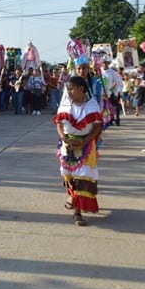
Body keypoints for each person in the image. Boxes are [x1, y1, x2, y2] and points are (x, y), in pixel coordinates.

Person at [53, 76, 103, 226]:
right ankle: (73, 199)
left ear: (81, 89)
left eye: (71, 89)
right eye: (67, 90)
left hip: (86, 145)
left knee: (82, 177)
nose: (68, 93)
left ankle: (77, 211)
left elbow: (97, 127)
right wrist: (64, 139)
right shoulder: (65, 104)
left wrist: (84, 141)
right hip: (67, 145)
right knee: (69, 176)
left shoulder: (92, 105)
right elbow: (59, 125)